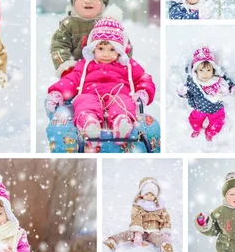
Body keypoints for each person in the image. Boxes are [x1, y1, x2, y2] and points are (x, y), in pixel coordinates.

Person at [46, 17, 155, 152]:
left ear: (120, 50)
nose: (106, 54)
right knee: (83, 101)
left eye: (112, 50)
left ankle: (122, 122)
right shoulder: (85, 65)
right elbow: (71, 80)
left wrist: (143, 92)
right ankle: (89, 123)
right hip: (91, 94)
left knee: (124, 102)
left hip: (118, 95)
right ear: (93, 48)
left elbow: (144, 78)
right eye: (101, 48)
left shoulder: (128, 65)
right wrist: (57, 93)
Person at [176, 46, 235, 142]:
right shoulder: (193, 83)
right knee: (194, 120)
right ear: (195, 71)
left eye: (208, 70)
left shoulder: (217, 80)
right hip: (199, 108)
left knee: (217, 124)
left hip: (216, 109)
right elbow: (189, 94)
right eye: (201, 70)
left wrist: (233, 88)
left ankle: (210, 133)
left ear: (213, 70)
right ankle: (197, 129)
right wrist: (183, 93)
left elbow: (228, 84)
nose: (205, 74)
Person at [104, 177, 173, 252]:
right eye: (146, 194)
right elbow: (136, 218)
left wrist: (165, 233)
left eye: (152, 194)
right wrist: (137, 233)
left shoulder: (160, 206)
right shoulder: (138, 205)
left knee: (158, 238)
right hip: (141, 230)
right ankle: (113, 241)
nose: (149, 197)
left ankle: (165, 246)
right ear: (142, 194)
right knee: (128, 234)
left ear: (156, 195)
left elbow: (165, 219)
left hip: (154, 231)